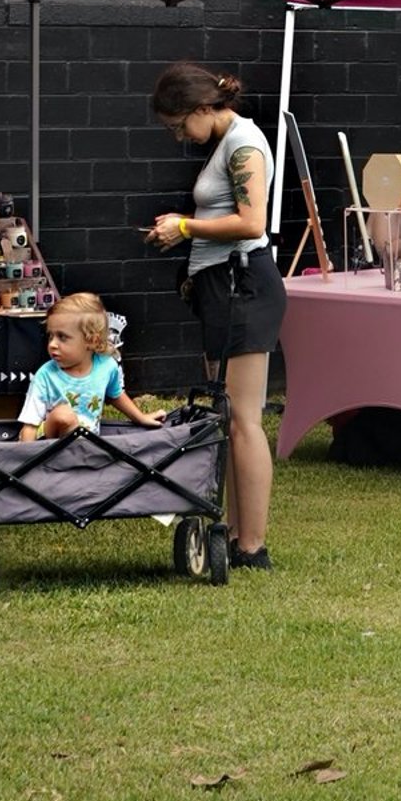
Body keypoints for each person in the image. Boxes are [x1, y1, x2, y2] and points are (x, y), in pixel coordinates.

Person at [146, 62, 284, 572]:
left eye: (181, 125)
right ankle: (235, 531)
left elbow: (253, 222)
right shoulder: (225, 146)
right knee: (227, 418)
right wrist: (184, 230)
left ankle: (253, 548)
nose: (181, 136)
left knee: (244, 420)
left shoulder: (244, 144)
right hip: (222, 287)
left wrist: (184, 227)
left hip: (242, 285)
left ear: (204, 108)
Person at [17, 294, 166, 441]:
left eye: (62, 337)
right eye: (51, 336)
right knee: (63, 414)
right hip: (50, 444)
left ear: (92, 341)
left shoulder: (106, 366)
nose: (52, 344)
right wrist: (27, 457)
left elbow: (116, 395)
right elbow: (29, 426)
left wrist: (141, 418)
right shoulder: (45, 375)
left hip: (87, 443)